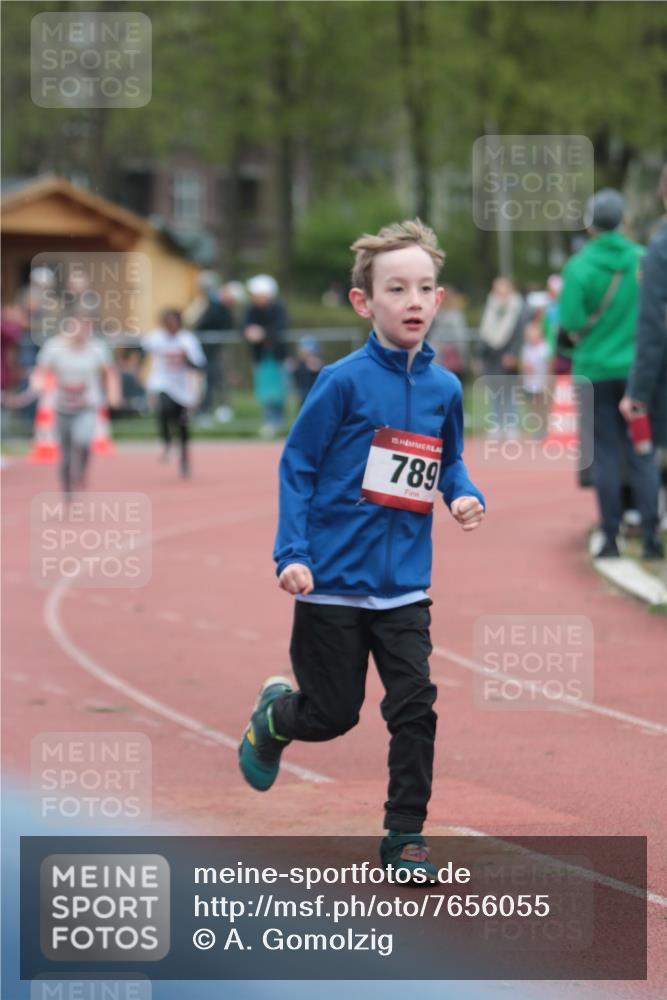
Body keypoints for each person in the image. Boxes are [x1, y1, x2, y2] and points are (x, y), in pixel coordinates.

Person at [238, 219, 485, 880]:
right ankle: (273, 719)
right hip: (332, 582)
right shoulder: (342, 383)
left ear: (438, 301)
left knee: (414, 709)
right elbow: (297, 466)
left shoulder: (444, 390)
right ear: (363, 303)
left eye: (424, 288)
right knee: (331, 715)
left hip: (404, 586)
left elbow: (450, 461)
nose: (412, 300)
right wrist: (290, 552)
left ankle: (405, 836)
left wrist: (463, 493)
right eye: (396, 288)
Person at [558, 188, 661, 560]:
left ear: (591, 225)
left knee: (603, 454)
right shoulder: (642, 259)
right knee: (642, 452)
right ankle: (651, 538)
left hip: (594, 371)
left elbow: (569, 321)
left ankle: (611, 539)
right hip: (638, 374)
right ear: (624, 220)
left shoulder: (579, 266)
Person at [619, 164, 667, 557]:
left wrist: (638, 392)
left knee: (645, 454)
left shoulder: (659, 251)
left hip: (650, 377)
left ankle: (650, 538)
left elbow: (652, 328)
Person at [30, 315, 120, 497]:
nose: (81, 331)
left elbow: (109, 373)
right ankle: (66, 488)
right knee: (64, 453)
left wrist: (113, 394)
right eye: (77, 326)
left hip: (87, 405)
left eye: (85, 327)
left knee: (83, 440)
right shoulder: (54, 347)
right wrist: (37, 384)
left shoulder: (97, 348)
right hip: (61, 406)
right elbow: (40, 370)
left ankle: (81, 473)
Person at [142, 309, 206, 479]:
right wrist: (136, 367)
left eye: (173, 322)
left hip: (183, 387)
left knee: (182, 424)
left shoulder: (188, 340)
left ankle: (184, 459)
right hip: (162, 382)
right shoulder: (156, 338)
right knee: (164, 409)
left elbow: (199, 366)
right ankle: (167, 443)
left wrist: (186, 359)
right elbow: (141, 350)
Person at [478, 277, 526, 438]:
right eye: (497, 288)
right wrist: (480, 355)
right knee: (494, 392)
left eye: (502, 288)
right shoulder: (491, 306)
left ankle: (512, 425)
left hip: (508, 356)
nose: (499, 291)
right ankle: (496, 424)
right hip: (491, 357)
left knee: (510, 392)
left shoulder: (518, 307)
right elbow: (484, 332)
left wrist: (513, 354)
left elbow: (520, 334)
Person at [243, 274, 288, 437]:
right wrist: (249, 332)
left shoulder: (278, 308)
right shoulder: (251, 309)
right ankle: (269, 421)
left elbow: (281, 327)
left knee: (280, 390)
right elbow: (244, 326)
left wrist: (263, 333)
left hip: (278, 357)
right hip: (260, 357)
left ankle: (280, 421)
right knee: (265, 391)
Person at [520, 310, 552, 439]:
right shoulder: (526, 348)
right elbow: (524, 365)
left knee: (542, 407)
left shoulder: (545, 348)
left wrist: (548, 382)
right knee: (533, 408)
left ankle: (544, 430)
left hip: (542, 382)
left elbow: (549, 365)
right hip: (530, 383)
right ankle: (535, 429)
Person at [292, 335, 323, 407]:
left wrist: (316, 369)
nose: (307, 353)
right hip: (302, 393)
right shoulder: (299, 364)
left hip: (314, 394)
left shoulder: (318, 364)